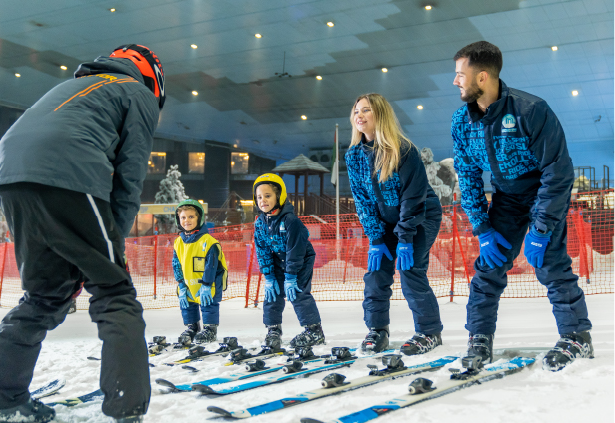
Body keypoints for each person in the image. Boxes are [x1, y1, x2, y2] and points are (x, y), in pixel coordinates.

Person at [0, 44, 164, 423]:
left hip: (11, 175)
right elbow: (130, 177)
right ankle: (126, 409)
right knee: (114, 292)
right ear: (153, 77)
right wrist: (113, 245)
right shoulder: (137, 93)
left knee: (44, 296)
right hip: (69, 170)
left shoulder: (74, 87)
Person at [451, 41, 593, 371]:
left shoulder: (531, 110)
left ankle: (576, 337)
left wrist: (541, 228)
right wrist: (482, 228)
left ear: (482, 77)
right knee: (488, 266)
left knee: (550, 263)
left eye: (460, 74)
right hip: (507, 198)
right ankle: (479, 337)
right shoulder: (462, 122)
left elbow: (558, 171)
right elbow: (468, 176)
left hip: (543, 191)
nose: (456, 81)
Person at [345, 93, 444, 354]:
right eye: (356, 111)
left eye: (366, 110)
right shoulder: (353, 156)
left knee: (410, 270)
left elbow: (413, 198)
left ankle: (429, 331)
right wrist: (376, 239)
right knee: (376, 274)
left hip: (420, 216)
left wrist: (406, 238)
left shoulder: (403, 150)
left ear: (380, 115)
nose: (359, 116)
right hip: (385, 221)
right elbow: (363, 200)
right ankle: (377, 330)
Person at [253, 173, 325, 348]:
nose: (263, 200)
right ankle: (273, 330)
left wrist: (291, 276)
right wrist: (269, 276)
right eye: (259, 197)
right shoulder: (260, 223)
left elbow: (295, 251)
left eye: (268, 196)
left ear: (280, 196)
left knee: (298, 293)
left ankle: (314, 331)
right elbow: (262, 250)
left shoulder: (291, 221)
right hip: (278, 261)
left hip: (299, 260)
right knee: (272, 294)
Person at [172, 199, 228, 344]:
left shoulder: (208, 241)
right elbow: (176, 263)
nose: (187, 220)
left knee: (208, 304)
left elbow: (212, 264)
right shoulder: (178, 242)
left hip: (208, 282)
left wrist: (207, 284)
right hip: (189, 282)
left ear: (200, 218)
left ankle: (210, 329)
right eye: (183, 217)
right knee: (188, 304)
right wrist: (181, 284)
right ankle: (192, 327)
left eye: (191, 217)